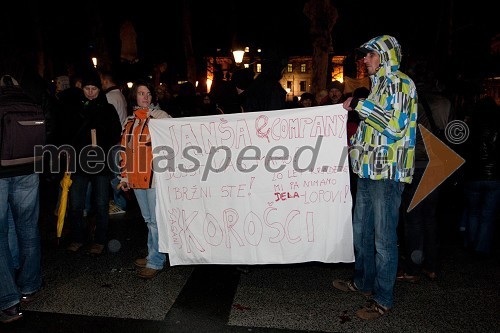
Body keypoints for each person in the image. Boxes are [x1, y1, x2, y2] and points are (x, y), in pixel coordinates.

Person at [332, 35, 418, 320]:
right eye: (365, 55)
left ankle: (383, 298)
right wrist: (353, 148)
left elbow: (395, 128)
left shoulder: (401, 83)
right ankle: (363, 282)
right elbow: (372, 131)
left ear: (384, 56)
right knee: (362, 231)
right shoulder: (378, 85)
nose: (364, 60)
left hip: (388, 174)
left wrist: (361, 106)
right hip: (368, 172)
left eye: (369, 55)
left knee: (383, 238)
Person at [60, 70, 122, 256]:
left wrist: (100, 135)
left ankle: (100, 240)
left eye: (93, 88)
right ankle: (77, 237)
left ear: (99, 88)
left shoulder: (107, 108)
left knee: (102, 203)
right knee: (77, 204)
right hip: (79, 163)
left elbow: (115, 133)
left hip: (100, 164)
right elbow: (66, 134)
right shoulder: (74, 108)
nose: (90, 92)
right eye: (87, 88)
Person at [0, 75, 43, 323]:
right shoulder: (31, 101)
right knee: (28, 228)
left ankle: (7, 301)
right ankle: (29, 285)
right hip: (29, 168)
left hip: (2, 172)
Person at [118, 80, 171, 279]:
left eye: (148, 94)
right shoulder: (130, 121)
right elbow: (125, 150)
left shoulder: (161, 117)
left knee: (155, 221)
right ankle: (154, 253)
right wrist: (124, 176)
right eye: (141, 94)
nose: (145, 97)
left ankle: (155, 261)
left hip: (155, 178)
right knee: (149, 219)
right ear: (135, 96)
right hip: (136, 177)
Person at [460, 95, 500, 258]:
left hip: (472, 175)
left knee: (473, 211)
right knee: (487, 214)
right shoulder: (497, 127)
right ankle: (481, 248)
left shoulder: (469, 127)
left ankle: (470, 242)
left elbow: (462, 149)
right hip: (494, 176)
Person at [100, 70, 128, 215]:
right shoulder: (120, 94)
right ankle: (119, 203)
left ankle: (120, 204)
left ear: (105, 80)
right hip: (120, 140)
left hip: (115, 141)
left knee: (116, 174)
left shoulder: (110, 97)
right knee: (118, 172)